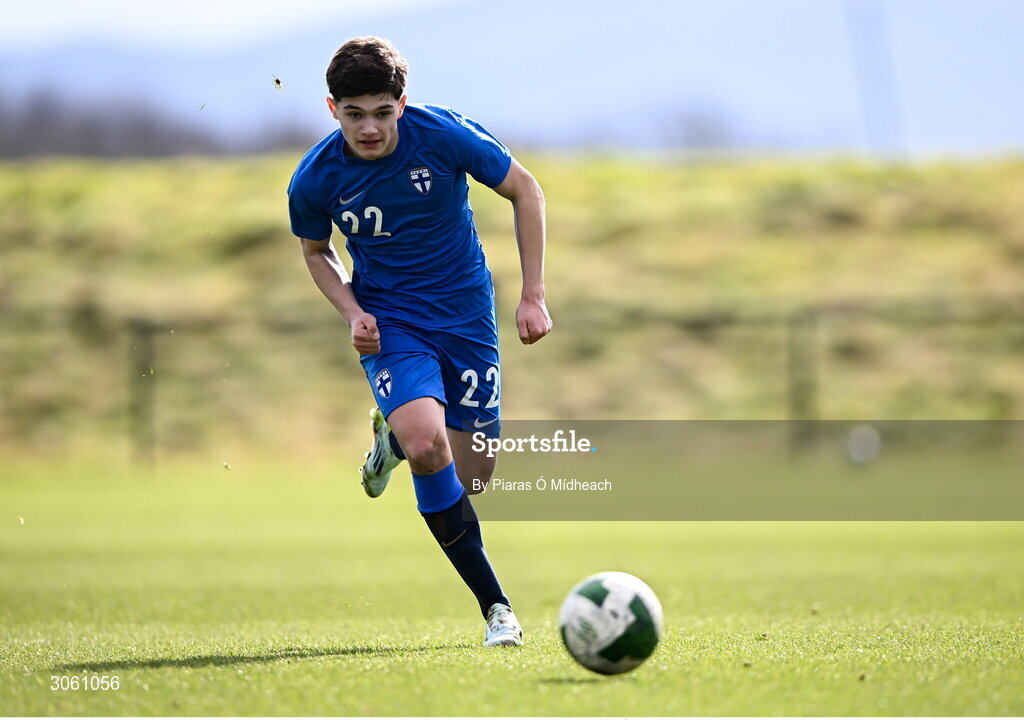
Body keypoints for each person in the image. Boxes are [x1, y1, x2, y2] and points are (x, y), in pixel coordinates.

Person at [287, 37, 551, 647]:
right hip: (392, 322)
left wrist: (533, 293)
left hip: (465, 317)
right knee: (429, 445)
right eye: (354, 114)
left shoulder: (444, 135)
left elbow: (525, 190)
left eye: (382, 111)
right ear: (333, 109)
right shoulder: (315, 177)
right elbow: (315, 250)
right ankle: (497, 610)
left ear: (402, 103)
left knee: (474, 476)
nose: (370, 128)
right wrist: (351, 309)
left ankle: (393, 439)